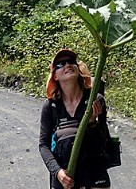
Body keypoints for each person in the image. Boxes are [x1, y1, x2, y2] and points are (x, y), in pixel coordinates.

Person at [39, 48, 111, 189]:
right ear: (55, 76)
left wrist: (92, 124)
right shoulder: (51, 107)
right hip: (65, 176)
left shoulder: (95, 100)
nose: (67, 65)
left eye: (71, 62)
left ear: (78, 69)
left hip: (94, 172)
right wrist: (57, 172)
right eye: (60, 64)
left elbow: (103, 143)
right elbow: (43, 145)